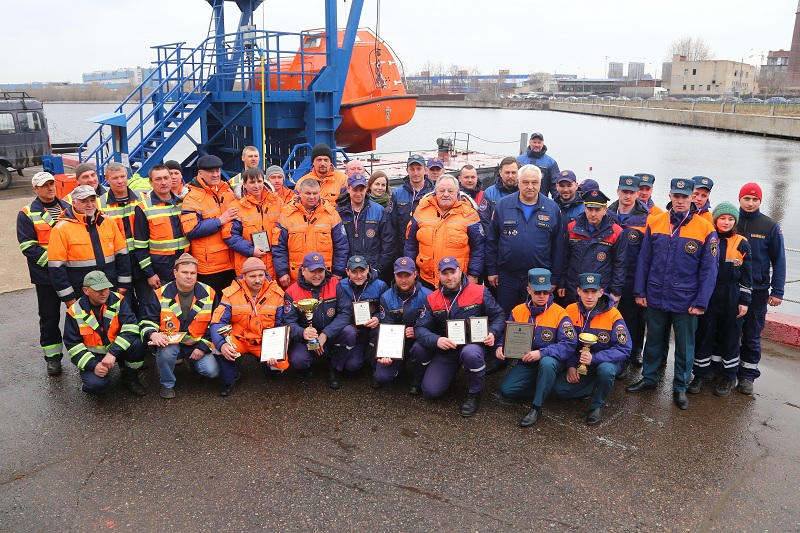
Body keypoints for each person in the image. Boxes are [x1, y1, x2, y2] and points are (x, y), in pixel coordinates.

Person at [627, 178, 719, 410]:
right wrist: (640, 291)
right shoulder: (656, 222)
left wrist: (701, 302)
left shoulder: (705, 228)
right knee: (654, 340)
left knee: (685, 347)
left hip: (686, 300)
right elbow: (644, 260)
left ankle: (679, 387)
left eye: (685, 197)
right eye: (676, 196)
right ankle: (649, 378)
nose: (680, 201)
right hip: (656, 294)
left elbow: (709, 270)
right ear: (670, 196)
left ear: (692, 199)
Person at [413, 257, 505, 417]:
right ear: (439, 275)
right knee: (431, 391)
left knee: (471, 354)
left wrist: (493, 333)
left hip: (473, 345)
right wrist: (437, 340)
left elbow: (499, 316)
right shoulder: (432, 298)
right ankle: (449, 373)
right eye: (445, 273)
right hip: (447, 348)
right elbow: (420, 328)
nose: (449, 277)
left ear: (460, 271)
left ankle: (474, 393)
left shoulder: (479, 291)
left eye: (453, 272)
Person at [496, 268, 577, 427]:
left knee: (546, 364)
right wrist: (500, 347)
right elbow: (505, 335)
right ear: (529, 290)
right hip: (527, 361)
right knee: (506, 391)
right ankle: (545, 385)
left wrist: (541, 353)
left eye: (546, 292)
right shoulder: (518, 310)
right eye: (538, 292)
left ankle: (536, 407)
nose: (542, 297)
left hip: (552, 362)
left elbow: (569, 344)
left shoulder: (560, 313)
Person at [689, 202, 752, 397]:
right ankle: (700, 374)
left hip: (732, 294)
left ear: (735, 221)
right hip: (710, 293)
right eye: (722, 218)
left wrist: (744, 301)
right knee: (705, 333)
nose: (726, 222)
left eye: (730, 219)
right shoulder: (709, 238)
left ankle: (729, 376)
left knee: (731, 336)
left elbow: (747, 275)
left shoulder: (742, 243)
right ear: (716, 220)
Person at [486, 164, 564, 315]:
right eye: (525, 182)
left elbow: (558, 247)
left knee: (536, 319)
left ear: (540, 184)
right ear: (518, 182)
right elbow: (492, 240)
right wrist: (491, 270)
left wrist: (554, 279)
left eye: (534, 182)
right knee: (506, 318)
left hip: (539, 278)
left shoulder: (552, 208)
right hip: (507, 276)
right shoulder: (503, 205)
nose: (530, 186)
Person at [140, 253, 219, 399]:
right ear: (175, 273)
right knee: (166, 353)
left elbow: (216, 324)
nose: (189, 276)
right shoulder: (160, 294)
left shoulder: (209, 293)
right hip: (170, 343)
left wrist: (202, 347)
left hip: (196, 344)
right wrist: (153, 334)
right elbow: (147, 320)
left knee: (212, 371)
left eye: (193, 273)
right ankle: (167, 384)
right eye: (184, 272)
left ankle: (195, 366)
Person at [17, 171, 71, 375]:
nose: (50, 188)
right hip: (46, 277)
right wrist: (56, 263)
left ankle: (86, 354)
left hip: (70, 274)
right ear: (35, 189)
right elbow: (28, 247)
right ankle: (53, 358)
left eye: (51, 184)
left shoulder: (67, 207)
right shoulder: (27, 213)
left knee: (80, 314)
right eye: (44, 185)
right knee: (49, 317)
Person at [560, 273, 631, 425]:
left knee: (606, 371)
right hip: (580, 362)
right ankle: (590, 385)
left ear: (601, 292)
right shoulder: (570, 310)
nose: (589, 296)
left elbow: (624, 349)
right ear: (578, 291)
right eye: (586, 291)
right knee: (558, 391)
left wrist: (595, 358)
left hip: (605, 361)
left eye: (594, 292)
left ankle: (597, 405)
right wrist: (570, 365)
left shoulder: (613, 314)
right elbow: (567, 342)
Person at [210, 257, 287, 397]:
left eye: (261, 275)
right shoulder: (230, 294)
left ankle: (266, 366)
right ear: (243, 276)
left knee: (281, 365)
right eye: (252, 276)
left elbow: (280, 325)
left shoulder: (278, 294)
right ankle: (232, 378)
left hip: (265, 341)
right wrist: (222, 344)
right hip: (241, 339)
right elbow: (218, 322)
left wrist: (275, 350)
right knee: (216, 347)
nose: (257, 280)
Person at [736, 182, 786, 395]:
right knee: (726, 331)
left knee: (752, 334)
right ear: (739, 199)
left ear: (760, 201)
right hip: (731, 288)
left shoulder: (770, 226)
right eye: (746, 198)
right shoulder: (729, 220)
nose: (750, 203)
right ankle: (722, 370)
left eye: (754, 199)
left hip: (758, 290)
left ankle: (747, 376)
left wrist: (777, 291)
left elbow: (779, 260)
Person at [63, 271, 145, 396]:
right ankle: (95, 377)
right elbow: (73, 345)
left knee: (137, 344)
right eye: (98, 290)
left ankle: (130, 379)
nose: (104, 293)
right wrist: (94, 365)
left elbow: (131, 327)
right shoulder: (75, 311)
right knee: (95, 385)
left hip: (117, 350)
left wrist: (113, 353)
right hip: (94, 356)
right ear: (86, 291)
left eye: (106, 288)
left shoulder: (118, 300)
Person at [48, 185, 132, 305]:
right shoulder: (61, 229)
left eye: (93, 200)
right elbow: (56, 268)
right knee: (85, 324)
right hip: (81, 291)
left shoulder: (108, 222)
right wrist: (68, 298)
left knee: (113, 322)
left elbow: (122, 255)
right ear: (74, 203)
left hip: (109, 287)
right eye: (84, 201)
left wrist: (123, 284)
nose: (90, 204)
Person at [283, 252, 357, 389]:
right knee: (298, 360)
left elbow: (345, 312)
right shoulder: (291, 292)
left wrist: (326, 334)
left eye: (320, 271)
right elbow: (288, 322)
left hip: (331, 333)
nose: (317, 275)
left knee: (350, 332)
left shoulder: (335, 284)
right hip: (307, 337)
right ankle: (306, 366)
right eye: (312, 271)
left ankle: (335, 367)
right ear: (303, 270)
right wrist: (302, 333)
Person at [405, 175, 485, 289]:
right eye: (442, 190)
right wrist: (410, 270)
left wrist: (474, 274)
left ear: (457, 191)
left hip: (457, 280)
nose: (446, 194)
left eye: (450, 191)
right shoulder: (421, 210)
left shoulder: (469, 214)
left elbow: (479, 248)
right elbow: (410, 244)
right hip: (426, 280)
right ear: (435, 191)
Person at [180, 154, 238, 305]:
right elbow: (191, 230)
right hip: (209, 266)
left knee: (229, 305)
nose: (216, 174)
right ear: (200, 173)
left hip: (230, 262)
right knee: (210, 306)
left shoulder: (227, 191)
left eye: (217, 170)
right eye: (211, 171)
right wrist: (220, 220)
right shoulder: (192, 197)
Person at [132, 165, 190, 312]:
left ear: (172, 180)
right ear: (151, 183)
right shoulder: (143, 208)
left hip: (184, 266)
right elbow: (140, 246)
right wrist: (150, 274)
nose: (163, 182)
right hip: (161, 271)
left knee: (185, 308)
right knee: (164, 310)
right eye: (158, 179)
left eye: (166, 178)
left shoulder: (183, 203)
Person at [273, 177, 349, 286]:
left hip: (325, 276)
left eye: (315, 193)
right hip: (296, 278)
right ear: (299, 193)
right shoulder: (287, 214)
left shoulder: (331, 214)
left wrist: (338, 271)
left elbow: (341, 245)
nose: (312, 197)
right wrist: (282, 272)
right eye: (308, 193)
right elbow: (279, 246)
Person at [607, 175, 650, 368]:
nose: (627, 195)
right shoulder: (607, 215)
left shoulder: (646, 219)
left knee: (631, 322)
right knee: (609, 320)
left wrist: (642, 287)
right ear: (618, 191)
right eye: (624, 191)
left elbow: (647, 256)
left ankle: (629, 356)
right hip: (610, 279)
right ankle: (611, 354)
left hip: (633, 279)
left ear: (637, 194)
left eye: (632, 192)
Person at [559, 188, 626, 306]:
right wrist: (562, 283)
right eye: (589, 209)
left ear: (605, 210)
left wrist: (615, 291)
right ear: (585, 208)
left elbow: (620, 265)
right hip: (574, 288)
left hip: (600, 291)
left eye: (598, 209)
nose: (593, 214)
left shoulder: (616, 232)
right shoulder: (572, 228)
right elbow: (565, 259)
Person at [376, 257, 432, 390]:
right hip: (397, 342)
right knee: (381, 377)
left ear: (415, 274)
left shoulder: (428, 295)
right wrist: (386, 352)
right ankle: (398, 365)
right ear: (394, 275)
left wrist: (417, 331)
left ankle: (419, 378)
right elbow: (387, 326)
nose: (403, 280)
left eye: (407, 275)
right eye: (399, 276)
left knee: (420, 349)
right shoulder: (386, 297)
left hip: (420, 341)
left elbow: (433, 324)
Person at [222, 167, 283, 280]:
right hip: (249, 265)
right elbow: (229, 235)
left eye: (259, 181)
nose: (256, 186)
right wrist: (251, 250)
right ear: (244, 184)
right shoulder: (236, 207)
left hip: (275, 264)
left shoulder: (277, 203)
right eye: (252, 182)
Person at [337, 255, 388, 387]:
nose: (359, 275)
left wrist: (377, 317)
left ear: (368, 269)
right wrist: (349, 323)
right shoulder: (341, 286)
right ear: (347, 271)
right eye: (354, 272)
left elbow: (386, 310)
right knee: (352, 366)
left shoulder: (380, 285)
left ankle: (376, 365)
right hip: (355, 330)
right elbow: (338, 311)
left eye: (362, 271)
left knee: (380, 329)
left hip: (372, 328)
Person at [336, 173, 392, 276]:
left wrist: (379, 268)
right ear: (348, 189)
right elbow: (336, 243)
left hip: (372, 268)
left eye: (361, 190)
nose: (358, 193)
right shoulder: (339, 213)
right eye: (355, 190)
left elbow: (388, 241)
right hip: (348, 269)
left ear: (366, 188)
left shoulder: (379, 211)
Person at [385, 154, 434, 261]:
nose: (415, 173)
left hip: (426, 249)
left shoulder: (433, 193)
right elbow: (391, 226)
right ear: (407, 170)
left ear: (425, 170)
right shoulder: (398, 194)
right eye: (412, 169)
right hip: (402, 249)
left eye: (419, 169)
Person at [516, 132, 559, 198]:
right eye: (534, 142)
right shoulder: (519, 160)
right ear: (530, 142)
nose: (537, 145)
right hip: (520, 200)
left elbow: (555, 187)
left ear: (543, 144)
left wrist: (556, 203)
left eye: (539, 143)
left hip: (541, 202)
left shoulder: (551, 163)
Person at [457, 164, 490, 230]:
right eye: (466, 177)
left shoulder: (484, 195)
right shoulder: (455, 196)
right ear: (459, 179)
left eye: (473, 177)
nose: (470, 180)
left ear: (477, 178)